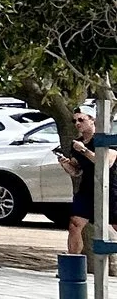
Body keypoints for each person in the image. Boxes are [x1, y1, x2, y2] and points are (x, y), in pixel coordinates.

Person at [58, 110, 111, 258]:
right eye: (74, 121)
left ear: (92, 120)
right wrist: (66, 164)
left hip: (110, 187)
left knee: (114, 225)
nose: (77, 124)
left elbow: (106, 163)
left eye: (81, 120)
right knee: (75, 223)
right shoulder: (77, 144)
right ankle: (74, 264)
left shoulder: (105, 140)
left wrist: (84, 150)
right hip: (88, 188)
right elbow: (76, 171)